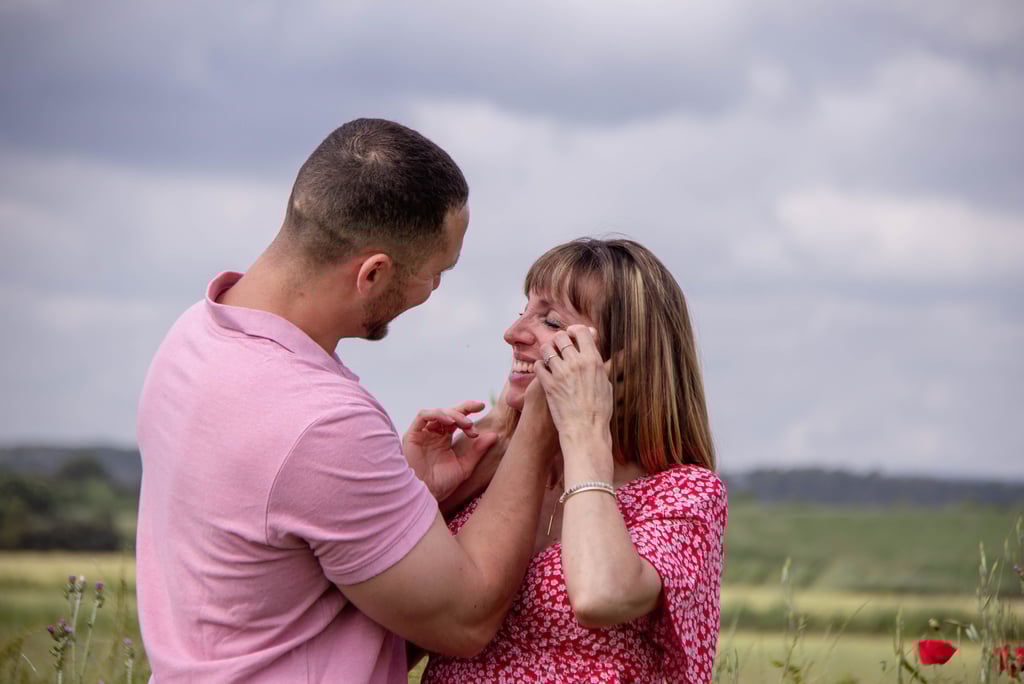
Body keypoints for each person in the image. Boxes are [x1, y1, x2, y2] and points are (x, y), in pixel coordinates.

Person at [135, 118, 565, 683]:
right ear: (373, 273)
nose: (433, 292)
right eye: (436, 273)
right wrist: (535, 429)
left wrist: (408, 498)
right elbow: (464, 619)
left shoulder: (195, 336)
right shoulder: (321, 421)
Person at [424, 238, 728, 683]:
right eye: (522, 311)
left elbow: (599, 596)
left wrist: (583, 430)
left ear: (625, 363)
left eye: (549, 320)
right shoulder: (486, 470)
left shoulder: (684, 494)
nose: (514, 334)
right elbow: (397, 631)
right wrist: (421, 495)